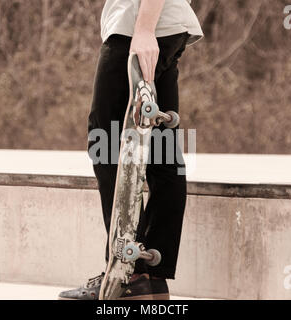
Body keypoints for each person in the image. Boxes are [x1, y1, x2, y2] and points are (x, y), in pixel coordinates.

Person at [59, 0, 203, 300]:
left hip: (138, 29)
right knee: (162, 152)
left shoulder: (139, 29)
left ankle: (129, 270)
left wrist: (144, 29)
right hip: (168, 27)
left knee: (105, 141)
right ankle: (152, 276)